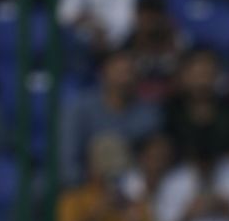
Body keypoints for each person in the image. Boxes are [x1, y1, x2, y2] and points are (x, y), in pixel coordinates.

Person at [59, 50, 162, 187]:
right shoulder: (79, 109)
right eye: (118, 72)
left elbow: (155, 159)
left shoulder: (149, 114)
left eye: (129, 72)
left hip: (136, 188)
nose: (124, 79)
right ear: (103, 73)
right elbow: (67, 161)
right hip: (87, 187)